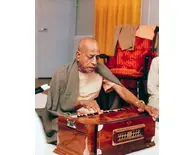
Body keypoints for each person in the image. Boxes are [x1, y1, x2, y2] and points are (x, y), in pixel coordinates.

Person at [39, 37, 159, 144]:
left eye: (97, 57)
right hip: (69, 114)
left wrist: (140, 104)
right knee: (72, 136)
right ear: (78, 55)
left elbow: (121, 89)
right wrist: (82, 102)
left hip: (94, 114)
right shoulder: (62, 74)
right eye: (90, 57)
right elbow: (58, 107)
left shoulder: (100, 70)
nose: (95, 62)